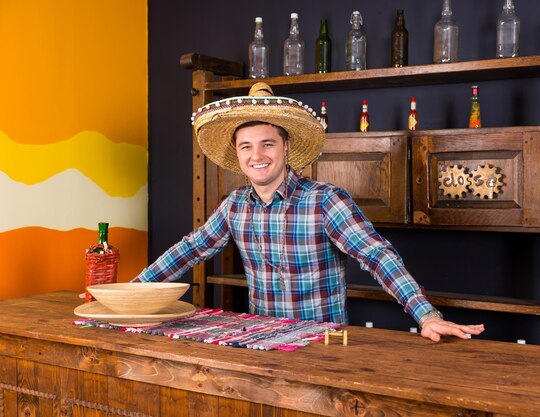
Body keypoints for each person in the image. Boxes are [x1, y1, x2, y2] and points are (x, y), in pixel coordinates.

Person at [134, 82, 484, 342]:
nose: (258, 155)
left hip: (322, 342)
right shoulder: (235, 205)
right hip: (262, 340)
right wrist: (132, 292)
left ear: (286, 147)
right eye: (247, 146)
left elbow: (377, 256)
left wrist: (425, 316)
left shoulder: (326, 201)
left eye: (267, 144)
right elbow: (190, 249)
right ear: (238, 155)